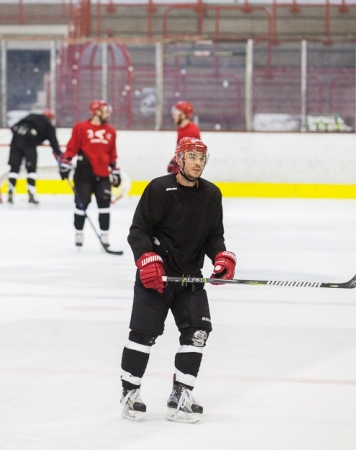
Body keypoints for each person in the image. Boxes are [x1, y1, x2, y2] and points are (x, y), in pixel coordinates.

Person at [120, 137, 237, 423]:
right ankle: (129, 393)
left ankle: (181, 393)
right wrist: (146, 257)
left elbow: (213, 235)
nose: (198, 162)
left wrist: (220, 257)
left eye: (202, 157)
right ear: (179, 159)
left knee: (198, 333)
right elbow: (138, 231)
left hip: (189, 279)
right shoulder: (159, 189)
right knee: (143, 335)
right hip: (156, 278)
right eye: (192, 156)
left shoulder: (211, 194)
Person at [59, 100, 121, 247]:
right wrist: (66, 162)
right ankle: (79, 233)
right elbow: (71, 147)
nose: (108, 114)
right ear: (96, 112)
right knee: (81, 204)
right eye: (105, 111)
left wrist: (115, 170)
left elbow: (112, 154)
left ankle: (105, 236)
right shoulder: (80, 128)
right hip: (83, 174)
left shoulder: (111, 131)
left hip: (103, 175)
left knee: (105, 205)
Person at [7, 109, 62, 205]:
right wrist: (59, 154)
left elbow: (13, 128)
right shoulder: (48, 125)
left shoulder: (30, 116)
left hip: (15, 142)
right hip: (30, 144)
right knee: (31, 169)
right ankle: (31, 195)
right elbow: (53, 142)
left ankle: (10, 194)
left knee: (14, 168)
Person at [166, 101, 201, 174]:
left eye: (176, 113)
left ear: (183, 115)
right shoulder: (180, 128)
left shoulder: (192, 130)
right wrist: (174, 159)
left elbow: (195, 155)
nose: (173, 116)